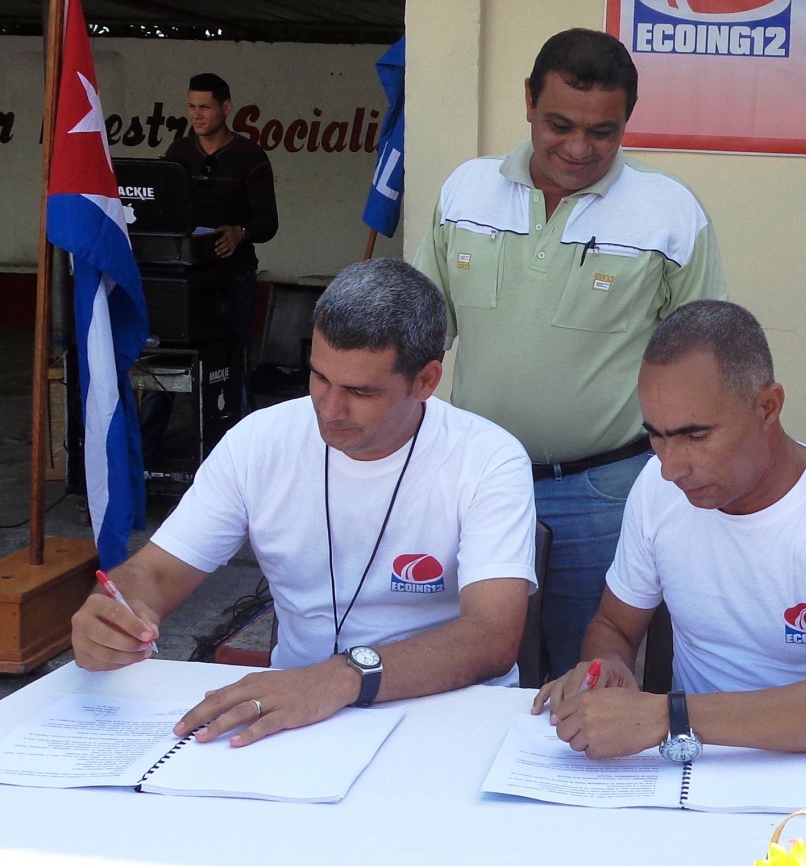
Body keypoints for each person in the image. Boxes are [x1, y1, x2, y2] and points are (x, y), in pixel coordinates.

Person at [73, 259, 537, 747]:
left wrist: (338, 678)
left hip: (448, 712)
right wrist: (114, 612)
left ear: (425, 381)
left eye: (360, 391)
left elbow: (491, 636)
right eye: (319, 378)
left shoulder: (488, 457)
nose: (330, 409)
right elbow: (157, 572)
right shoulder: (259, 441)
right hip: (291, 711)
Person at [413, 28, 727, 678]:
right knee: (467, 671)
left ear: (625, 123)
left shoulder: (668, 211)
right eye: (559, 124)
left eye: (602, 132)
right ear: (527, 101)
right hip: (474, 485)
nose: (579, 149)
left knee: (582, 681)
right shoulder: (464, 192)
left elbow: (703, 364)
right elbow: (414, 336)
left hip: (602, 493)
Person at [532, 300, 806, 757]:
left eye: (695, 436)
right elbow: (615, 623)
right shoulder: (656, 492)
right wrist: (606, 666)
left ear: (768, 406)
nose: (670, 467)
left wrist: (668, 716)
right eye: (656, 435)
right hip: (691, 765)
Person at [166, 72, 278, 413]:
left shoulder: (250, 156)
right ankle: (148, 445)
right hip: (186, 272)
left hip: (234, 274)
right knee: (169, 353)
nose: (196, 115)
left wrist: (239, 233)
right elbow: (163, 203)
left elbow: (268, 222)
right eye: (191, 107)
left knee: (235, 354)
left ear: (226, 107)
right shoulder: (179, 150)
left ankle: (241, 432)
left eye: (205, 107)